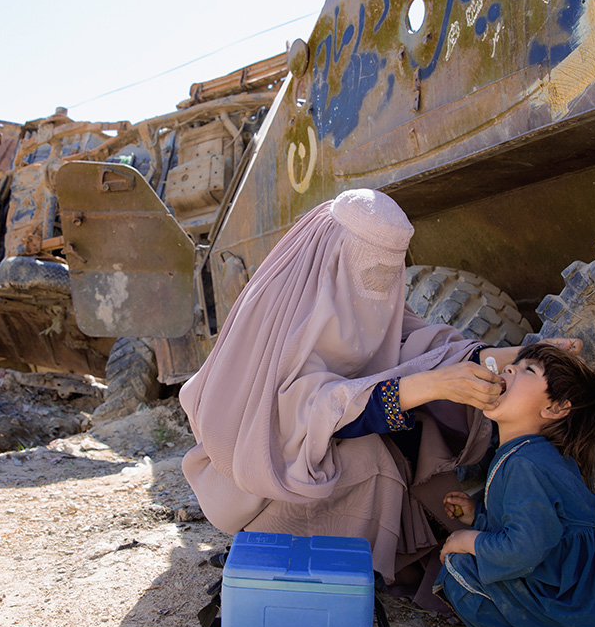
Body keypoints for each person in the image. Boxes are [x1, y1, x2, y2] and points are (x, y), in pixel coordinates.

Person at [179, 189, 570, 601]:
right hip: (254, 482)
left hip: (315, 455)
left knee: (397, 441)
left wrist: (520, 356)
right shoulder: (281, 309)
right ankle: (277, 551)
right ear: (335, 253)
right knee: (373, 461)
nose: (382, 284)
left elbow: (420, 349)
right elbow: (294, 418)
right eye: (373, 270)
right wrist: (430, 386)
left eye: (392, 272)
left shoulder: (367, 296)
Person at [435, 342, 595, 627]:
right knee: (473, 560)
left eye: (527, 371)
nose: (509, 370)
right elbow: (540, 540)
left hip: (575, 623)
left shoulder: (525, 462)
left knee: (458, 571)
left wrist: (468, 538)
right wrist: (477, 516)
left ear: (555, 408)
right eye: (515, 365)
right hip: (584, 624)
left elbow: (523, 551)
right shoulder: (533, 454)